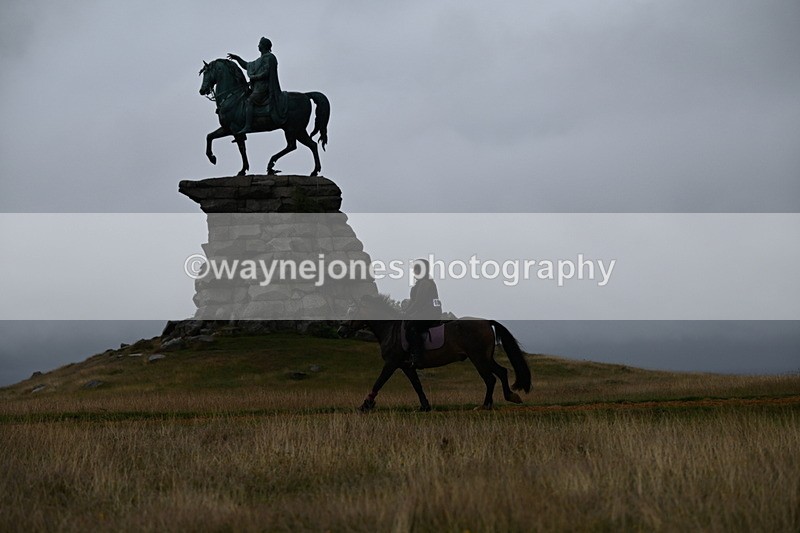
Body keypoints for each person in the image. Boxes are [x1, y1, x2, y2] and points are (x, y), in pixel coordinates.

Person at [227, 37, 288, 134]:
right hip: (257, 87)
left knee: (249, 101)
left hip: (264, 87)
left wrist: (255, 77)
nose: (258, 45)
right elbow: (247, 66)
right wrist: (237, 58)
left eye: (260, 44)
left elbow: (267, 72)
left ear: (263, 46)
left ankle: (248, 126)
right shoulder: (259, 60)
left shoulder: (270, 57)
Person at [403, 259, 442, 367]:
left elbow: (419, 302)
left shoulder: (425, 283)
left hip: (429, 314)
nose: (414, 271)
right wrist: (405, 311)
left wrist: (407, 313)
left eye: (416, 268)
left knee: (412, 328)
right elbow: (413, 302)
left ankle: (417, 357)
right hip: (424, 313)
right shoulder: (420, 283)